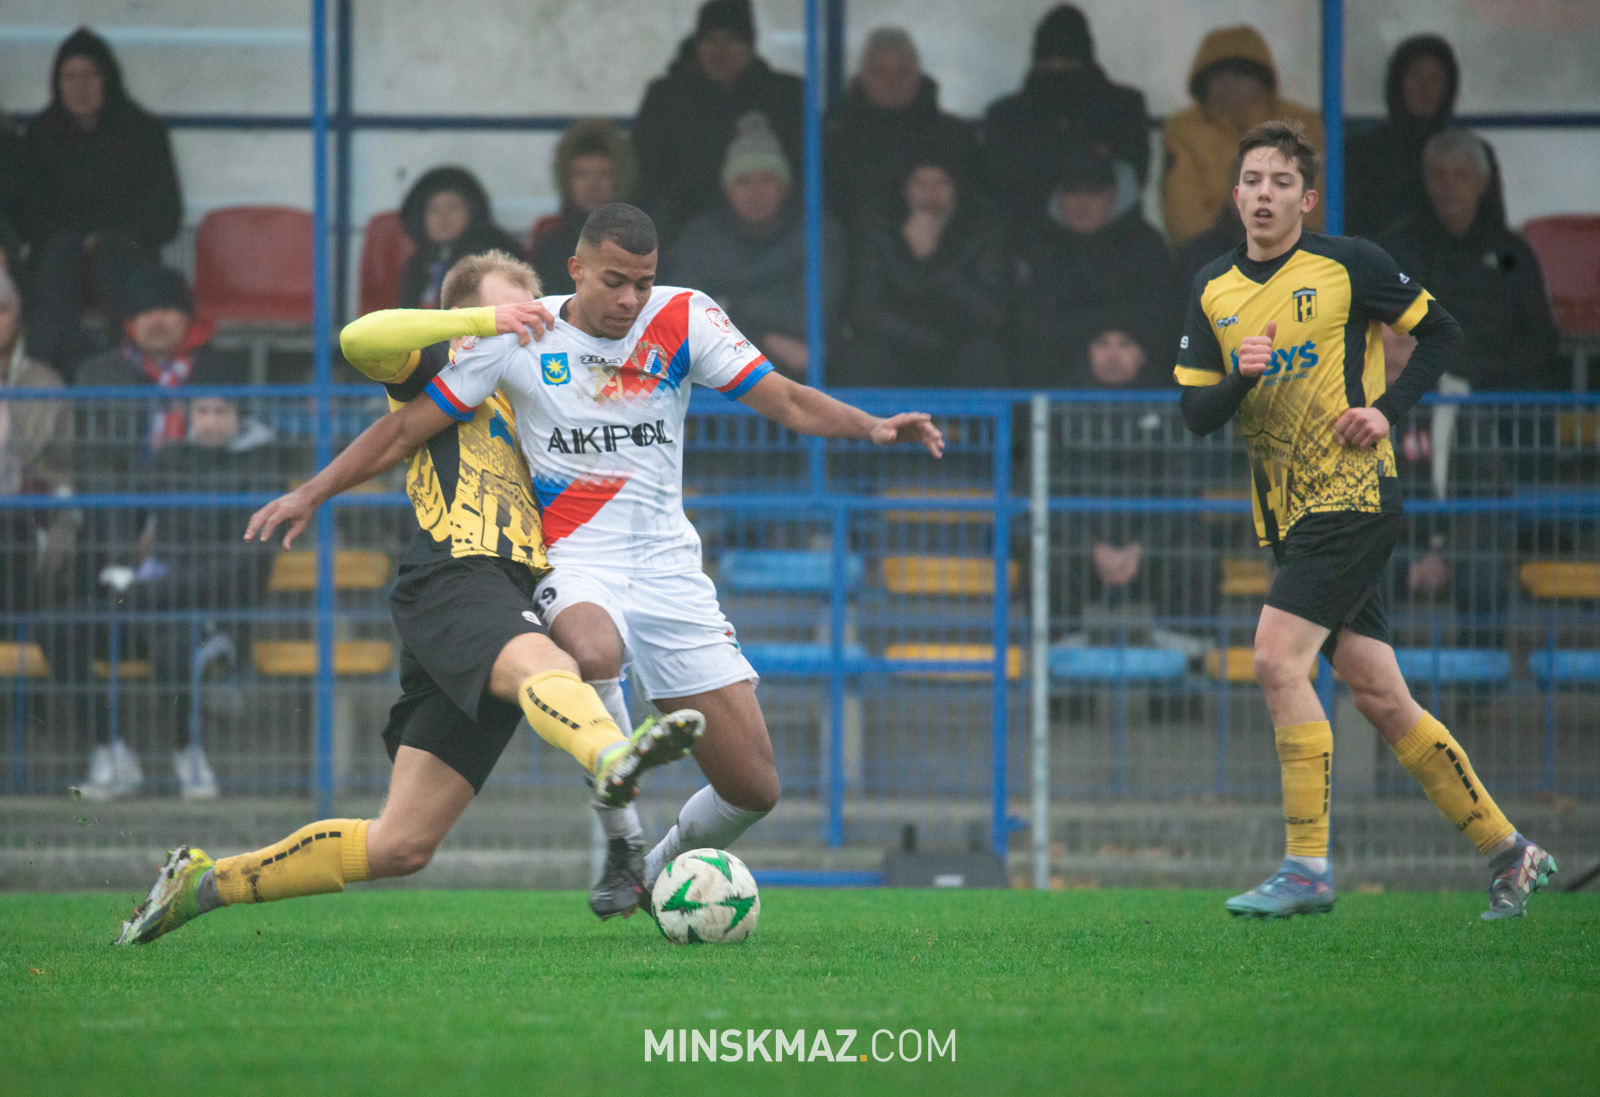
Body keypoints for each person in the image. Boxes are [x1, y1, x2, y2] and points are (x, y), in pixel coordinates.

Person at [346, 205, 943, 916]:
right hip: (573, 559)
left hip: (669, 571)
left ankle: (653, 870)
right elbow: (405, 419)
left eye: (643, 282)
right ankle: (622, 841)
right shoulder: (524, 333)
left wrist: (871, 425)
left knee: (753, 788)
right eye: (614, 281)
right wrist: (315, 491)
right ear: (576, 270)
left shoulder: (684, 317)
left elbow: (784, 399)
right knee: (592, 651)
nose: (630, 298)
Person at [115, 257, 705, 944]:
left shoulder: (544, 396)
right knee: (550, 665)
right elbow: (359, 339)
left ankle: (203, 883)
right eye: (510, 316)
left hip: (508, 597)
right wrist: (482, 322)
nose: (525, 328)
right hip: (457, 576)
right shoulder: (441, 372)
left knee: (400, 845)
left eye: (531, 316)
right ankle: (612, 758)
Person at [1174, 119, 1555, 921]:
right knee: (1381, 695)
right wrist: (1240, 378)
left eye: (1282, 182)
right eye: (1253, 181)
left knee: (1275, 658)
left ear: (1306, 198)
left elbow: (1442, 331)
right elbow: (1196, 413)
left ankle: (1306, 866)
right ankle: (1509, 848)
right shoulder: (1214, 287)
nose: (1265, 194)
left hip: (1351, 496)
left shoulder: (1351, 264)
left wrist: (1386, 410)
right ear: (1235, 194)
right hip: (1288, 516)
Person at [71, 362, 285, 801]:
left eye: (221, 412)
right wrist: (120, 565)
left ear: (240, 416)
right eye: (202, 411)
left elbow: (240, 568)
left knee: (172, 643)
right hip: (152, 602)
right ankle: (111, 753)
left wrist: (142, 590)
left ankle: (190, 756)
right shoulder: (169, 459)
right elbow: (125, 512)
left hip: (217, 617)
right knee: (64, 629)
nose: (211, 422)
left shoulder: (262, 470)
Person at [19, 28, 181, 371]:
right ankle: (58, 372)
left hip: (129, 251)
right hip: (60, 254)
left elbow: (166, 214)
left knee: (114, 253)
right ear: (57, 83)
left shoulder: (144, 132)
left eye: (90, 75)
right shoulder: (40, 136)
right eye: (70, 77)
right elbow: (29, 215)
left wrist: (107, 237)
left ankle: (121, 370)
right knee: (58, 261)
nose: (80, 87)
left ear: (108, 78)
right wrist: (80, 238)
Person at [1378, 129, 1564, 393]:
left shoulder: (1511, 253)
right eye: (1439, 175)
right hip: (1422, 392)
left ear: (1482, 182)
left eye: (1461, 175)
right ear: (1425, 181)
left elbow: (1540, 334)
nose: (1449, 186)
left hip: (1501, 394)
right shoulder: (1399, 248)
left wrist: (1497, 375)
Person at [666, 114, 845, 379]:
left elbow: (811, 316)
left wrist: (729, 304)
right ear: (726, 188)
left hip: (796, 374)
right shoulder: (700, 238)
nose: (755, 191)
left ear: (785, 186)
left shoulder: (817, 233)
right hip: (716, 371)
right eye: (742, 180)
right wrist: (766, 340)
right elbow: (687, 319)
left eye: (768, 179)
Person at [631, 0, 803, 245]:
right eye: (710, 40)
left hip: (769, 233)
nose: (720, 51)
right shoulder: (666, 98)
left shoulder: (784, 97)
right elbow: (647, 174)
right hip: (681, 228)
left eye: (732, 39)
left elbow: (803, 172)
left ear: (750, 46)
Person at [1010, 150, 1178, 389]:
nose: (1082, 203)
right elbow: (1032, 324)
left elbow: (1159, 321)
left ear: (1113, 195)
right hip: (1056, 381)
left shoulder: (1146, 246)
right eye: (1072, 191)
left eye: (1094, 192)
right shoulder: (1035, 246)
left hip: (1142, 384)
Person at [980, 5, 1149, 226]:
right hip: (1027, 233)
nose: (1058, 67)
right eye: (1051, 60)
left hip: (1111, 236)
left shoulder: (1123, 108)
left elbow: (1129, 182)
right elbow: (999, 186)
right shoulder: (1006, 116)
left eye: (1067, 59)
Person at [845, 156, 1005, 387]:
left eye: (942, 183)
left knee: (985, 354)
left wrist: (934, 259)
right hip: (900, 348)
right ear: (905, 190)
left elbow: (990, 314)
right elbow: (867, 311)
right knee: (863, 355)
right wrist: (927, 341)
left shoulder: (981, 232)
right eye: (920, 183)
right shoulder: (880, 230)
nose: (931, 194)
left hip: (957, 351)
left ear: (956, 190)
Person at [1162, 27, 1323, 249]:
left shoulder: (1301, 124)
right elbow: (1182, 208)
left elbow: (1315, 198)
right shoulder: (1183, 129)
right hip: (1214, 250)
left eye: (1240, 75)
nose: (1228, 84)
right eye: (1218, 76)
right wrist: (1206, 248)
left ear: (1263, 80)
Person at [825, 28, 976, 238]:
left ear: (917, 75)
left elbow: (975, 208)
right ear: (863, 77)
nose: (892, 81)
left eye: (902, 71)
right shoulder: (835, 141)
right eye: (880, 71)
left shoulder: (954, 136)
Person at [73, 266, 227, 465]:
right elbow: (89, 455)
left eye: (167, 309)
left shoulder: (219, 371)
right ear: (131, 323)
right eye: (145, 311)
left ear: (188, 319)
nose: (157, 321)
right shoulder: (96, 374)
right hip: (122, 484)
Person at [0, 267, 75, 614]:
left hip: (27, 516)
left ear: (17, 318)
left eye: (2, 309)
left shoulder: (46, 382)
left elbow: (65, 467)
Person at [1345, 35, 1459, 238]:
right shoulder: (1362, 151)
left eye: (1436, 78)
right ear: (1397, 83)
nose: (1425, 88)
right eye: (1415, 76)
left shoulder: (1466, 152)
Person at [529, 119, 634, 297]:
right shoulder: (548, 237)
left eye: (604, 174)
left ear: (620, 179)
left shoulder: (640, 237)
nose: (592, 185)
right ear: (566, 179)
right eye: (581, 174)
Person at [396, 166, 521, 309]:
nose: (443, 217)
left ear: (472, 211)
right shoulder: (417, 265)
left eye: (454, 207)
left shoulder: (493, 257)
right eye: (433, 210)